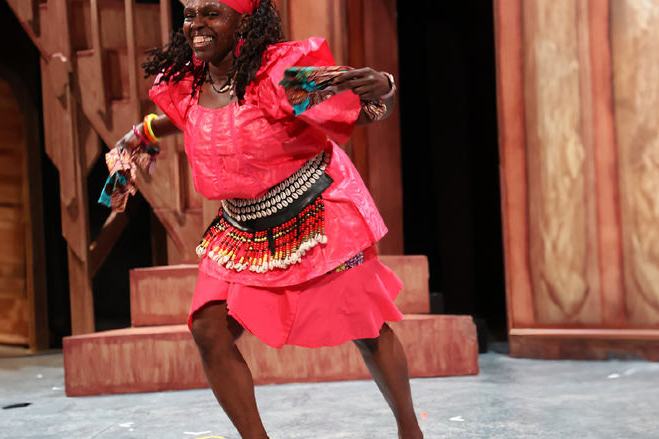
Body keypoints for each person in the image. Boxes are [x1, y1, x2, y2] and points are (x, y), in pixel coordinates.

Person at [108, 1, 423, 437]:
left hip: (318, 216)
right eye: (190, 13)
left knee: (367, 327)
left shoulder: (277, 76)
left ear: (245, 20)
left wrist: (384, 86)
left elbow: (365, 109)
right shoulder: (189, 83)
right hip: (242, 226)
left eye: (213, 13)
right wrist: (140, 134)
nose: (196, 24)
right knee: (207, 329)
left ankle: (411, 431)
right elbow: (183, 118)